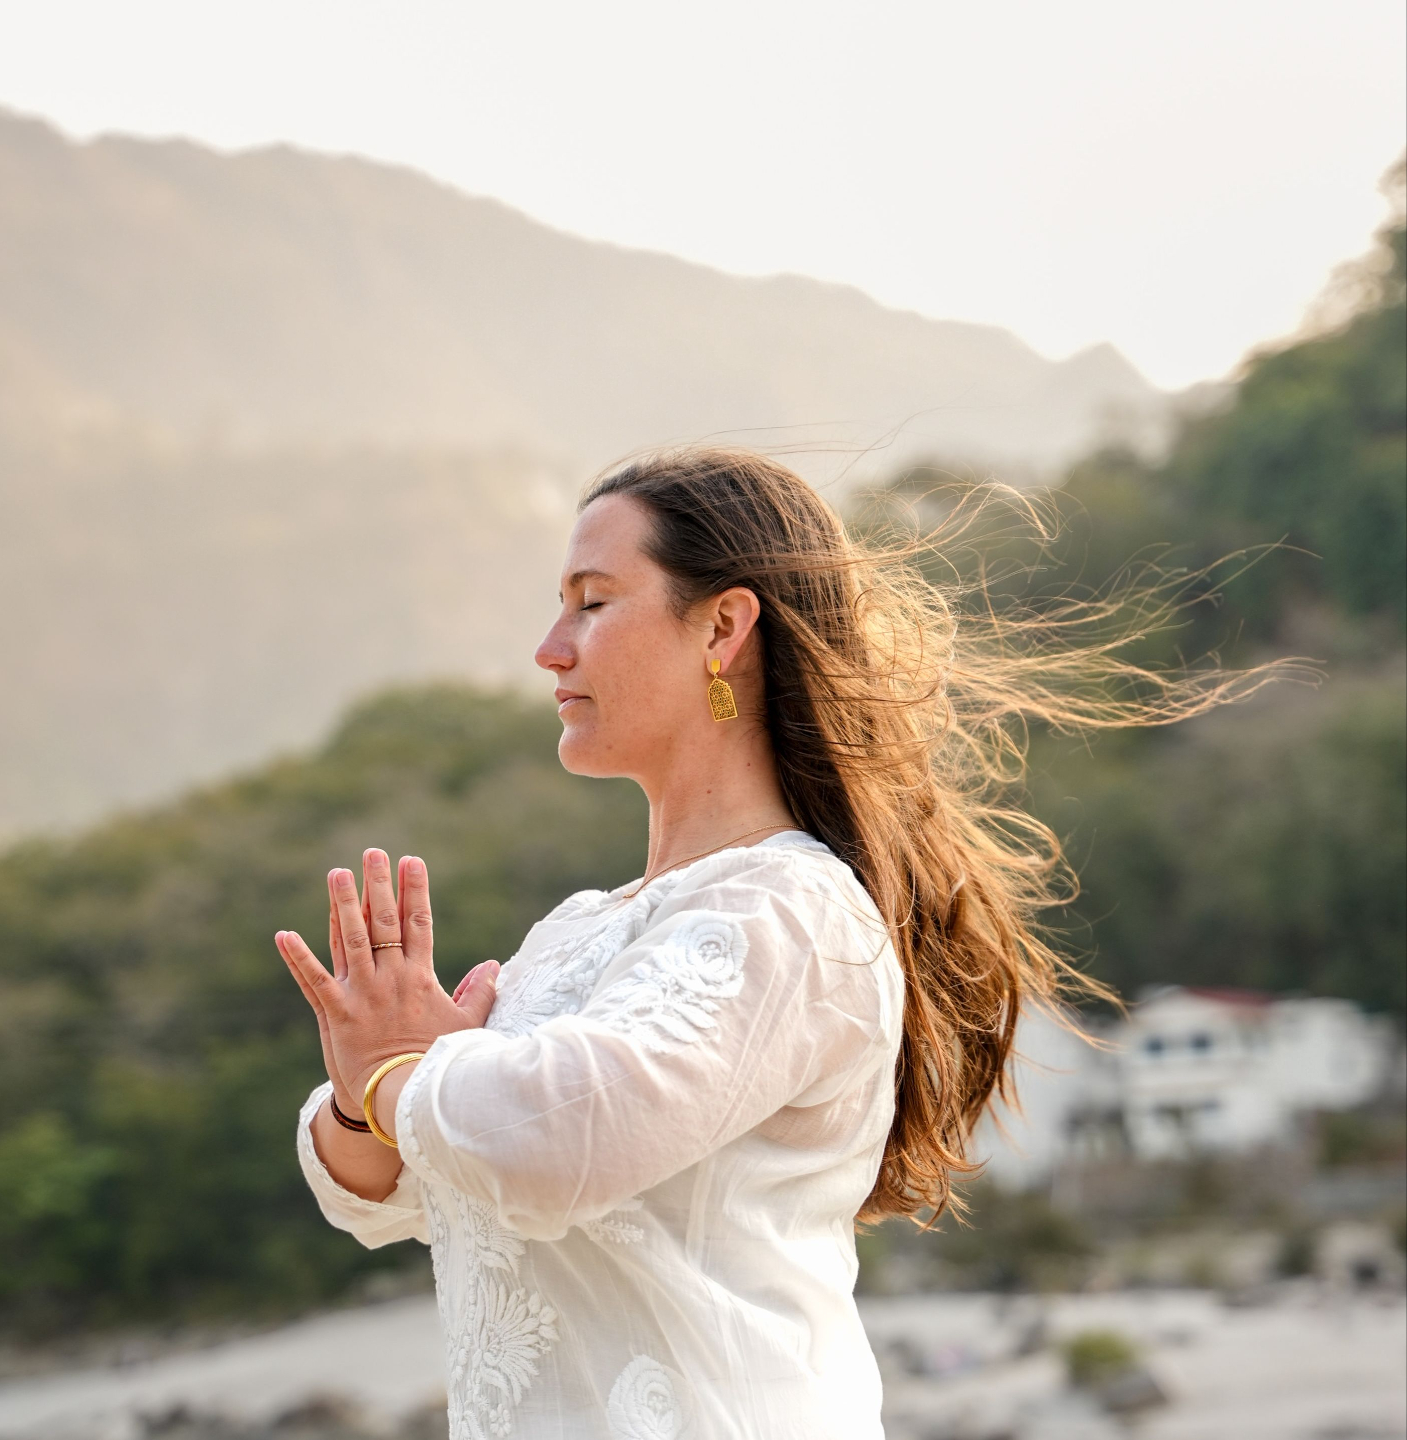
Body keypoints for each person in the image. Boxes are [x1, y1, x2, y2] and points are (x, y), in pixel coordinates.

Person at [276, 447, 1277, 1438]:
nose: (550, 646)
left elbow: (554, 1137)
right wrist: (375, 1098)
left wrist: (400, 1074)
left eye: (591, 600)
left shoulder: (791, 912)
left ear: (722, 626)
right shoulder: (579, 927)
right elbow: (399, 1188)